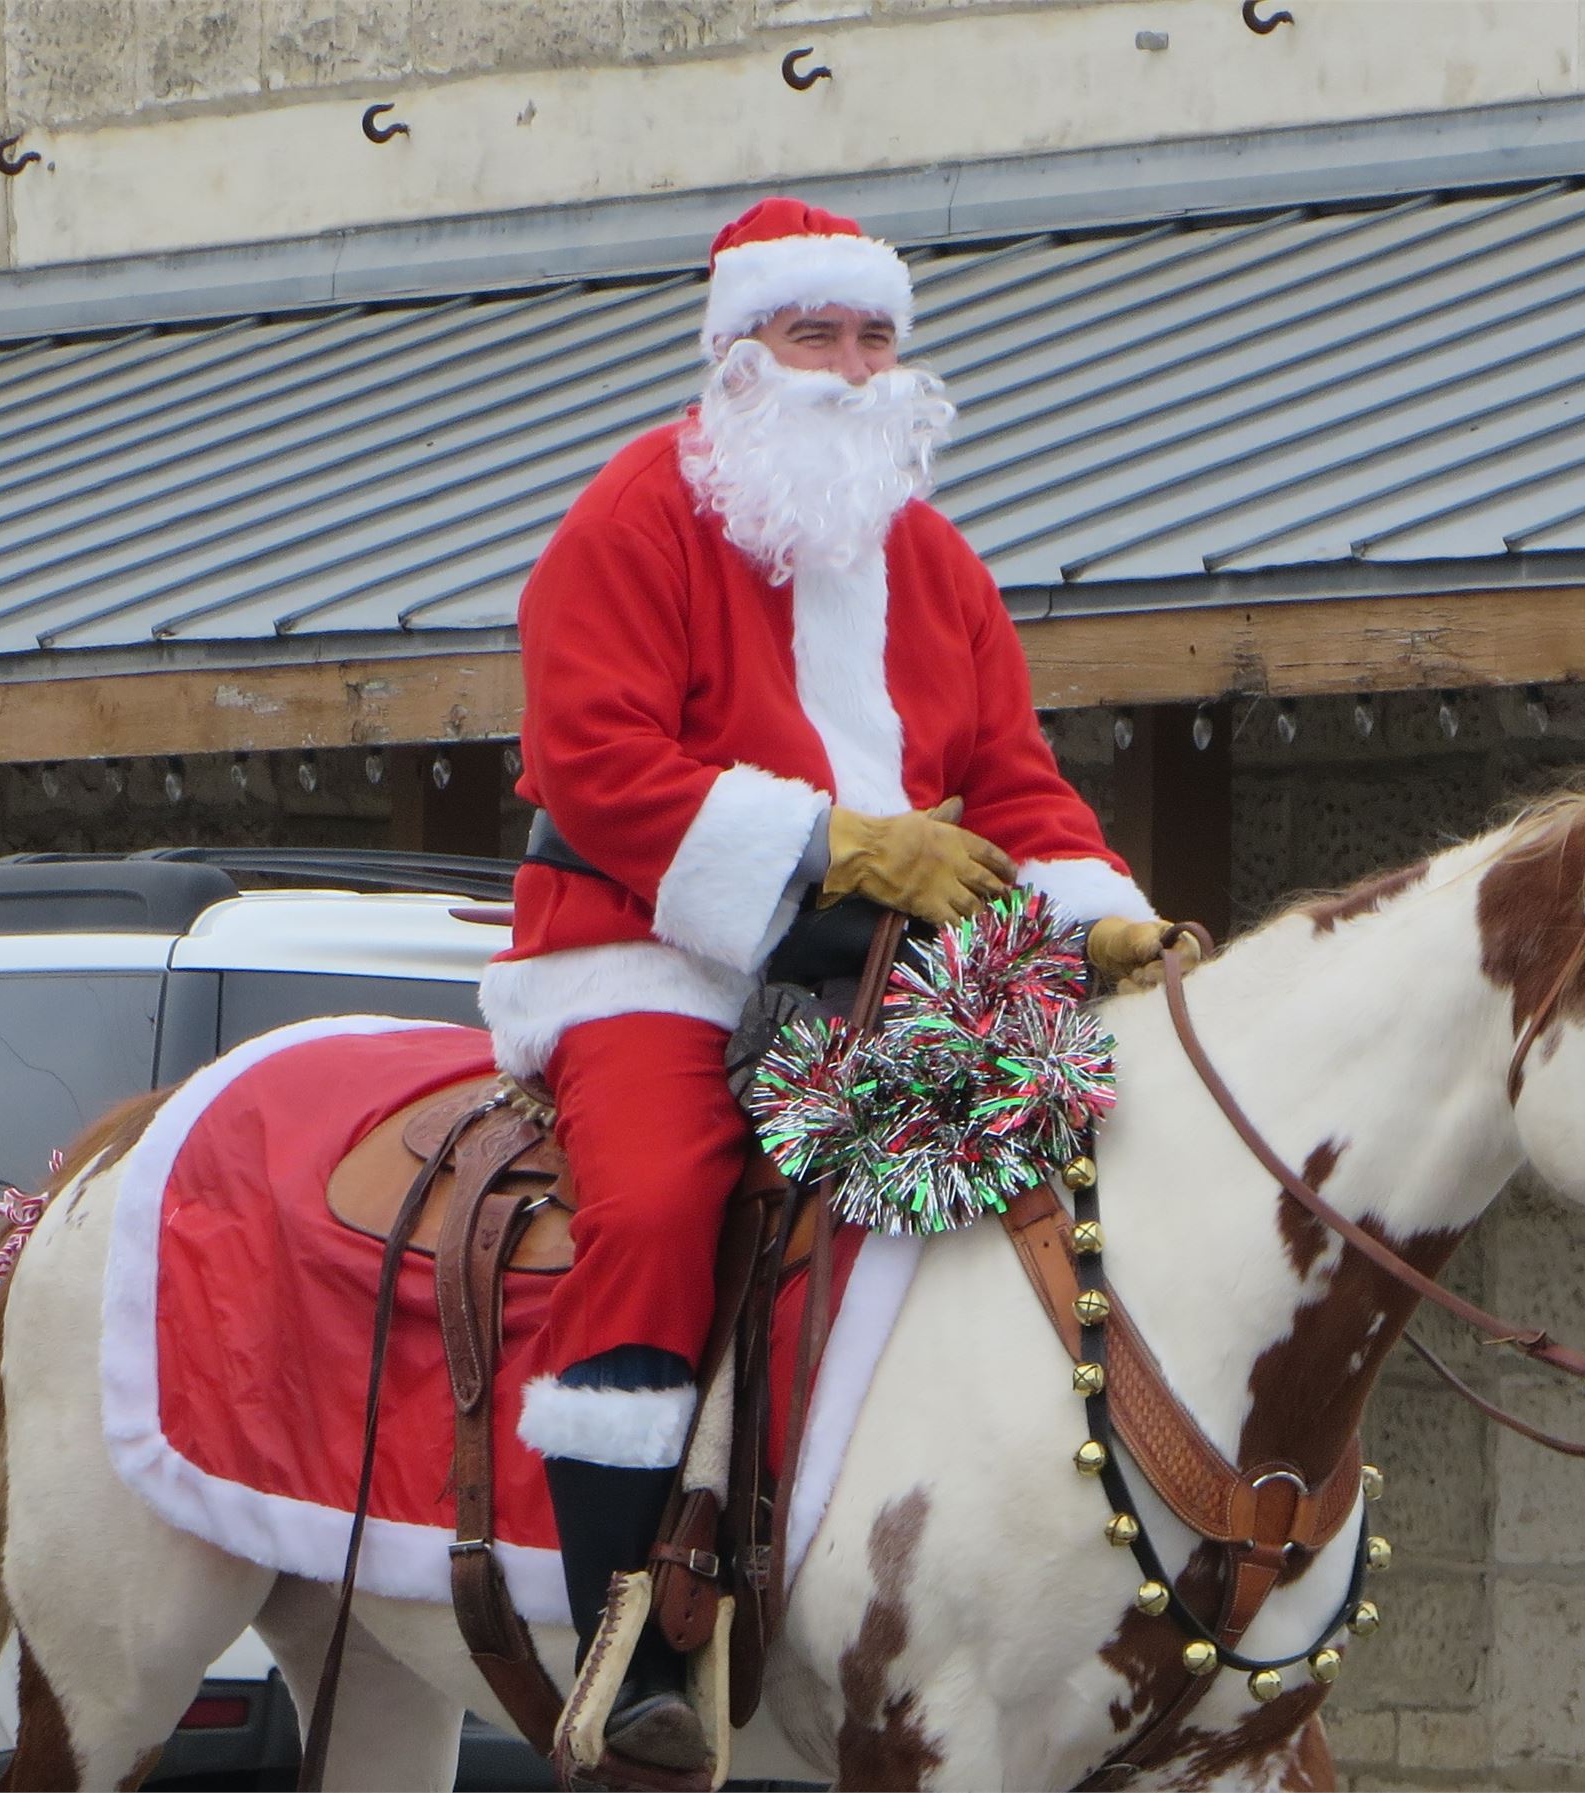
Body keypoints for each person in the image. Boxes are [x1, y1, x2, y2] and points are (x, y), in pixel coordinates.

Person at [479, 196, 1190, 1769]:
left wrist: (1098, 921)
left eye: (878, 339)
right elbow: (589, 762)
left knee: (1086, 1163)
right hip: (646, 945)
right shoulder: (633, 516)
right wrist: (841, 847)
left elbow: (1013, 785)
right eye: (819, 336)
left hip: (886, 969)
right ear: (737, 354)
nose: (856, 370)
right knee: (664, 1201)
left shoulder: (934, 562)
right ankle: (632, 1644)